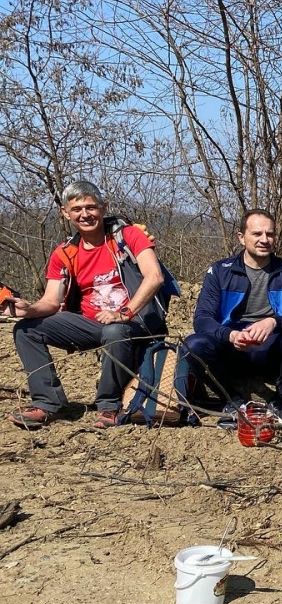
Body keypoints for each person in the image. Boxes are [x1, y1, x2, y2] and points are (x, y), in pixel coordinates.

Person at [9, 180, 168, 429]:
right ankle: (47, 403)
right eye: (77, 209)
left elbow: (154, 276)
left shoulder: (127, 236)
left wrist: (124, 313)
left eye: (91, 207)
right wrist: (27, 309)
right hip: (91, 324)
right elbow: (51, 301)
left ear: (103, 207)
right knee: (26, 329)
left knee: (114, 331)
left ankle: (109, 405)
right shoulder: (64, 252)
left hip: (135, 320)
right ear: (65, 213)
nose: (85, 214)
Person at [175, 210, 282, 422]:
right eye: (257, 234)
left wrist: (273, 321)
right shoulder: (221, 271)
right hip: (233, 347)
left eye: (270, 234)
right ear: (241, 237)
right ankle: (232, 400)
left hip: (272, 345)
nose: (264, 240)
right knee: (193, 345)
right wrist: (229, 335)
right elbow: (203, 318)